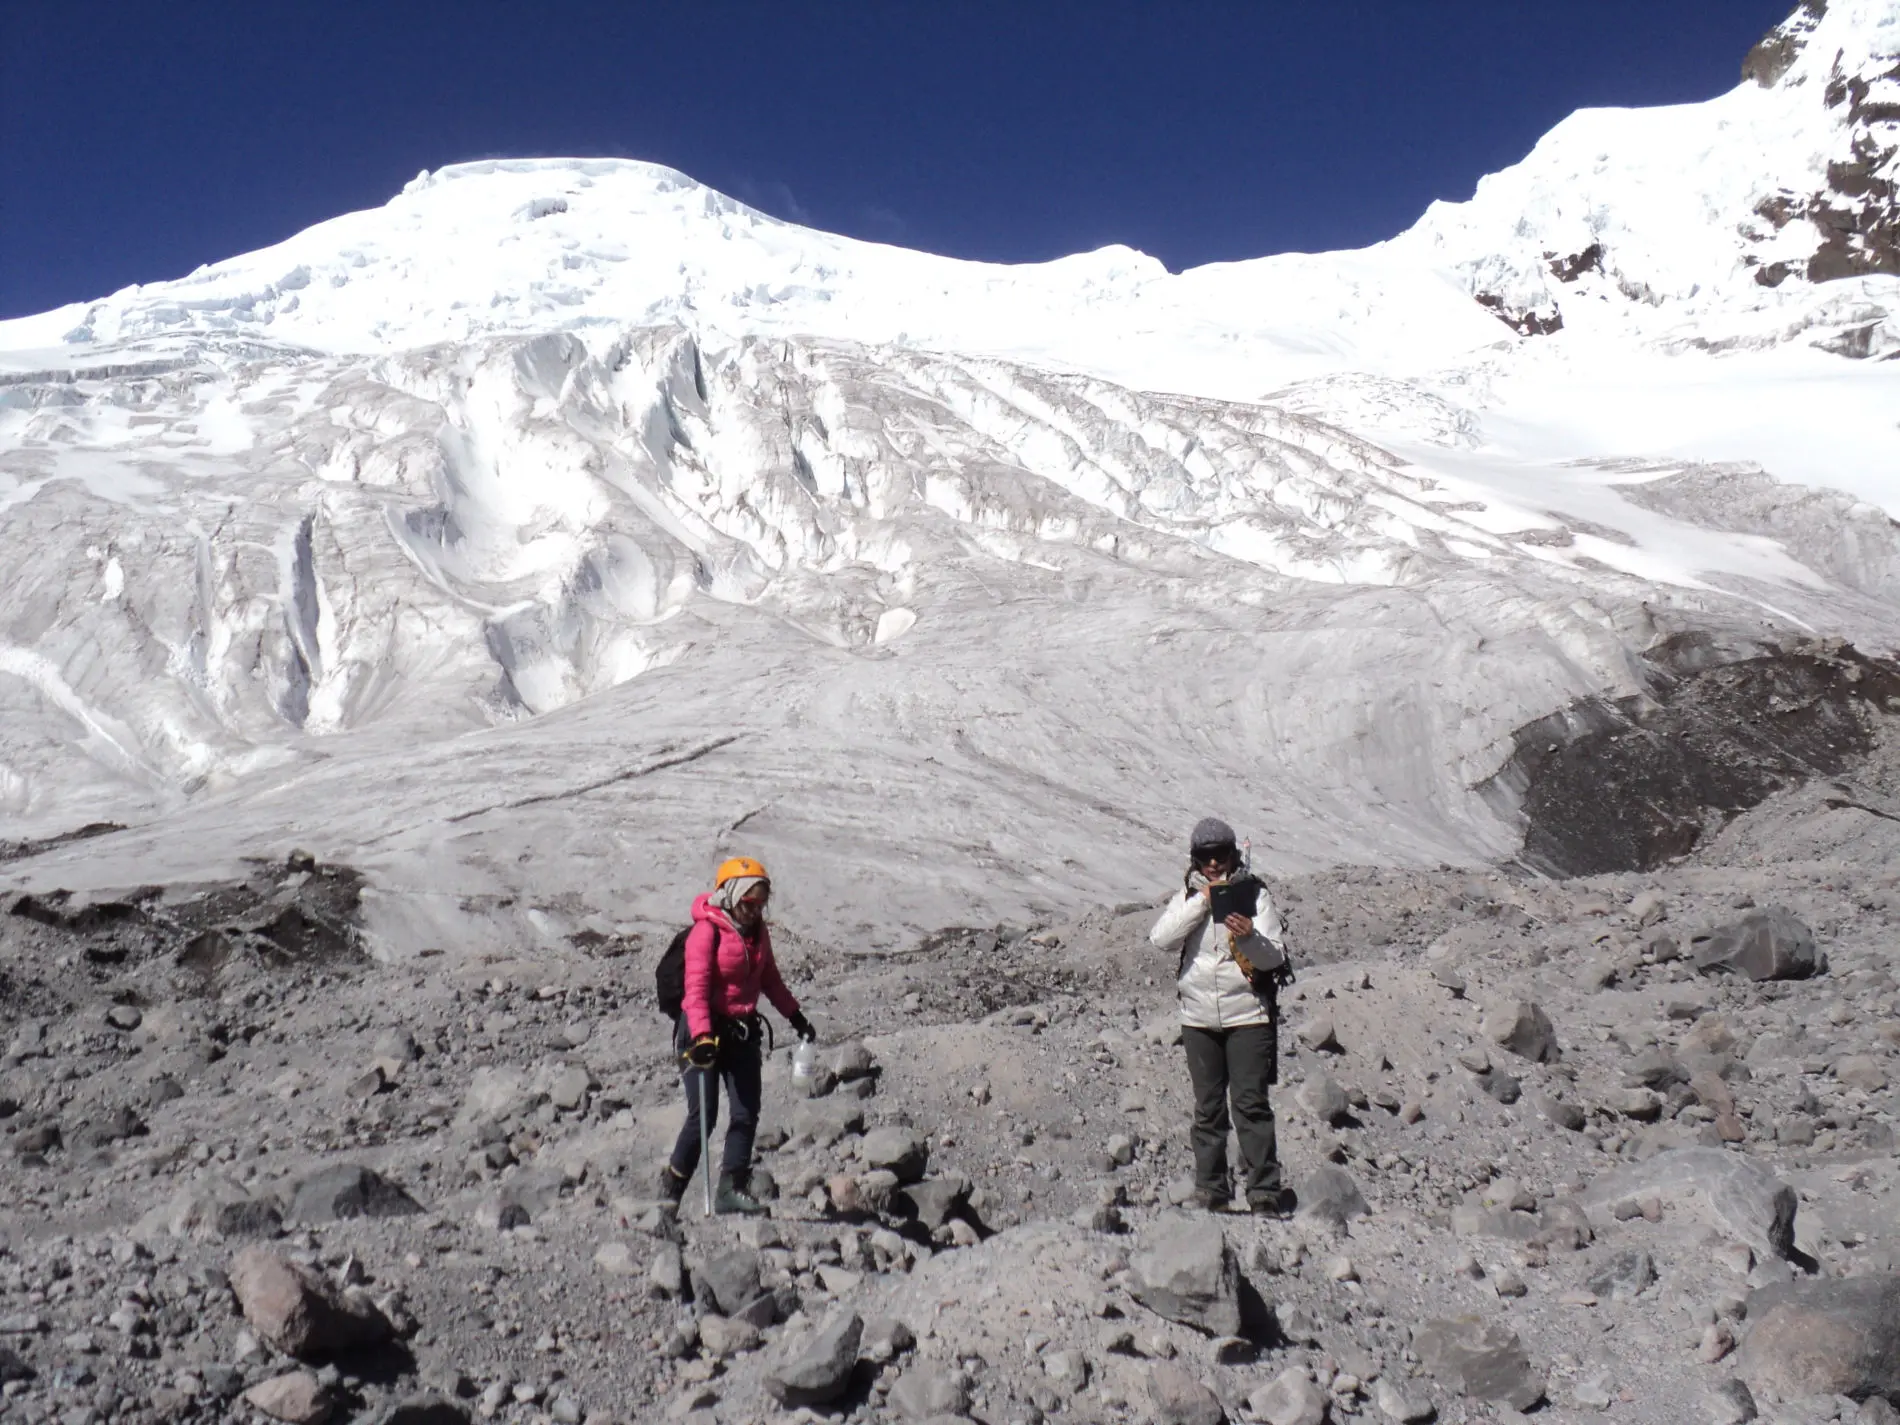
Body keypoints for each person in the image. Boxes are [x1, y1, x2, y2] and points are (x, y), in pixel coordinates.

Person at [1149, 817, 1292, 1214]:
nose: (1213, 863)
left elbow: (1274, 957)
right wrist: (1202, 903)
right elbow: (1161, 938)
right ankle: (1212, 1189)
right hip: (1198, 1017)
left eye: (1220, 855)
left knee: (1250, 1105)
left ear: (1232, 855)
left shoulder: (1254, 894)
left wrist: (1248, 935)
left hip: (1247, 1014)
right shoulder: (1188, 894)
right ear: (1195, 859)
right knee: (1208, 1108)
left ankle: (1263, 1192)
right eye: (1205, 856)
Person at [661, 856, 814, 1214]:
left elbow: (769, 979)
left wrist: (796, 1017)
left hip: (742, 1031)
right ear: (730, 895)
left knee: (746, 1111)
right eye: (749, 903)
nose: (755, 911)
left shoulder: (758, 932)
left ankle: (732, 1188)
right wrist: (702, 1037)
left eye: (761, 904)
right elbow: (695, 990)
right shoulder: (706, 932)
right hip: (703, 1032)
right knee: (704, 1114)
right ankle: (670, 1192)